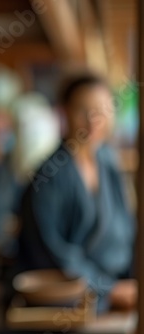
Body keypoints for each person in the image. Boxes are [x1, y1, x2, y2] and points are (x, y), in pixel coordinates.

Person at [17, 73, 136, 313]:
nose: (94, 122)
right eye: (83, 111)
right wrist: (108, 290)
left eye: (102, 111)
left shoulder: (108, 162)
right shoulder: (49, 176)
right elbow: (53, 252)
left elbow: (126, 227)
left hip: (120, 283)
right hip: (74, 294)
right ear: (64, 113)